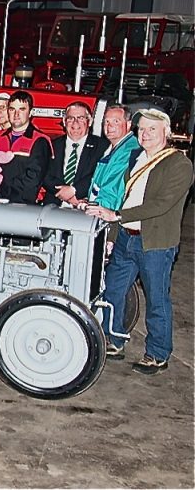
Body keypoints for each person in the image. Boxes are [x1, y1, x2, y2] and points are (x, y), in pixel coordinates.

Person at [86, 108, 193, 374]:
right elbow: (124, 196)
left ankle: (157, 353)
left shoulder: (178, 164)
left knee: (157, 299)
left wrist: (118, 215)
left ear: (166, 133)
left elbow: (161, 204)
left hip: (154, 243)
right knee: (112, 291)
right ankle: (114, 340)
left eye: (151, 130)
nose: (145, 134)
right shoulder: (135, 156)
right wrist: (113, 232)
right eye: (141, 129)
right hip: (126, 237)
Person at [0, 90, 52, 203]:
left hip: (22, 206)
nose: (16, 114)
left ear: (31, 112)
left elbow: (33, 180)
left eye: (21, 109)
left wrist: (0, 191)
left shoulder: (39, 141)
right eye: (12, 109)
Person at [33, 101, 109, 206]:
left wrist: (74, 191)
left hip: (85, 206)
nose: (75, 123)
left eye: (81, 118)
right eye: (70, 118)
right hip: (53, 207)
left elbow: (100, 174)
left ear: (90, 121)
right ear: (64, 122)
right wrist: (66, 195)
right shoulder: (51, 145)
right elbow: (44, 174)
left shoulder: (103, 147)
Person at [86, 104, 141, 210]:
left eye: (116, 121)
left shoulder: (129, 150)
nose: (109, 126)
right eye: (107, 122)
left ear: (128, 124)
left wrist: (95, 206)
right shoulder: (112, 148)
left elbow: (113, 191)